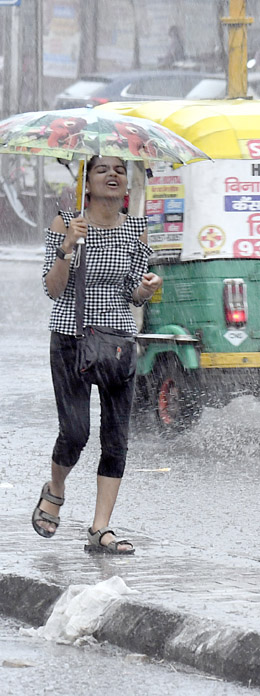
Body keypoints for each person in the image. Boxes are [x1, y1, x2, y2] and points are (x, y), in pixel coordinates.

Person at [32, 155, 162, 555]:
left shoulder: (136, 231)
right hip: (71, 338)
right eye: (102, 169)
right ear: (86, 183)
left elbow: (130, 294)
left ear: (127, 186)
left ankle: (100, 529)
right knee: (75, 433)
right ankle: (55, 488)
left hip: (118, 340)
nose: (113, 175)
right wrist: (67, 247)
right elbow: (53, 290)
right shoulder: (66, 224)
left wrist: (146, 288)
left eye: (120, 170)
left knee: (115, 439)